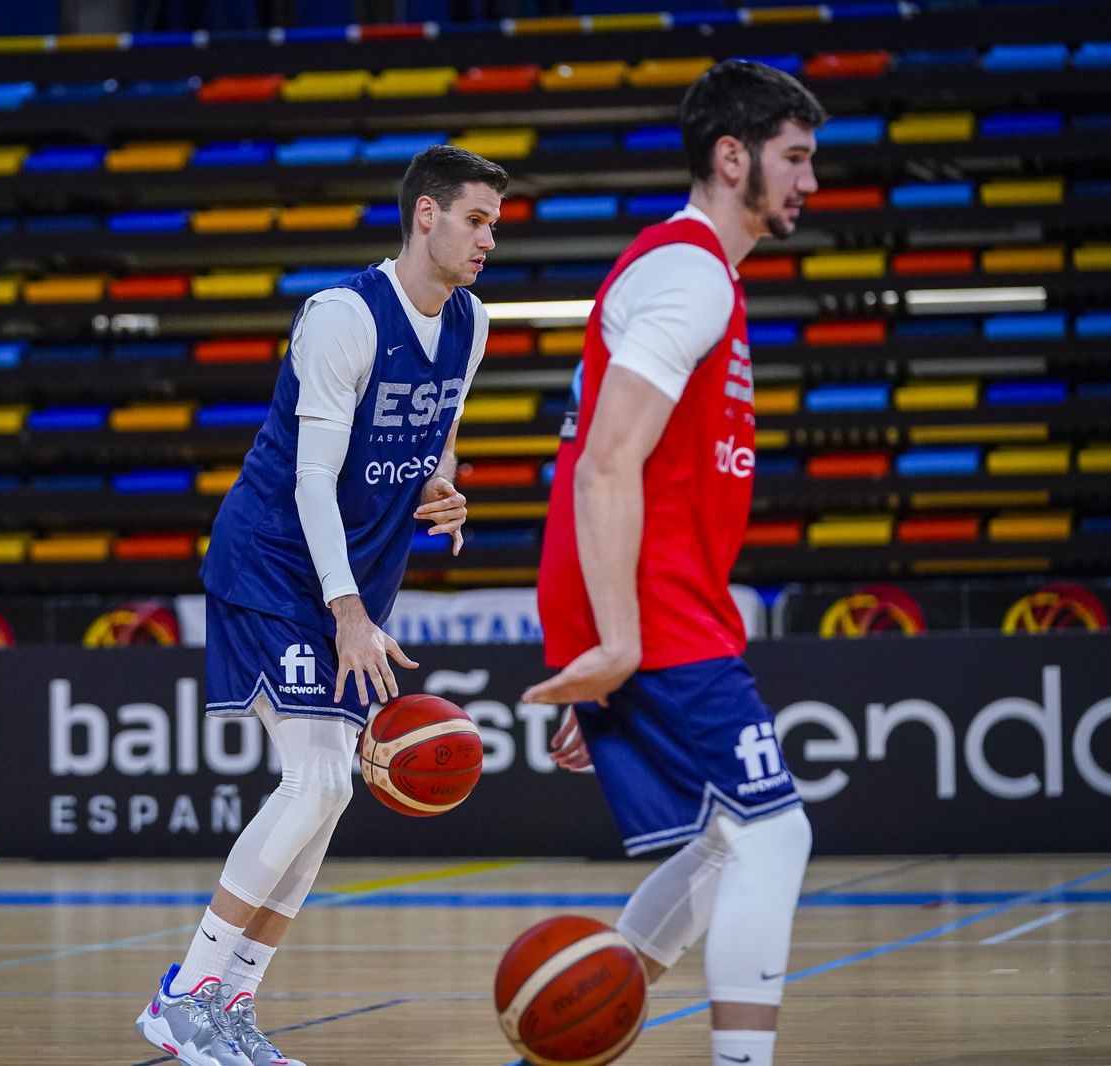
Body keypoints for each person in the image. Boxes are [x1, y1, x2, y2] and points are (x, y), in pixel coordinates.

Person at [135, 144, 508, 1066]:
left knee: (333, 790)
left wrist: (441, 490)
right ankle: (182, 998)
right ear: (426, 214)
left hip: (354, 577)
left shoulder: (473, 324)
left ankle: (230, 1003)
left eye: (495, 223)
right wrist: (346, 608)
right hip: (276, 563)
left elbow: (437, 434)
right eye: (476, 219)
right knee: (313, 781)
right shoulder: (342, 316)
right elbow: (310, 477)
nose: (489, 239)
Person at [526, 60, 827, 1066]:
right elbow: (604, 461)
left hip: (653, 607)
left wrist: (597, 635)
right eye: (794, 157)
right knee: (773, 838)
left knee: (720, 843)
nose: (809, 183)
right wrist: (613, 640)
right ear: (730, 156)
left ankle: (564, 1005)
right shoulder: (688, 272)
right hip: (656, 613)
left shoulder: (696, 274)